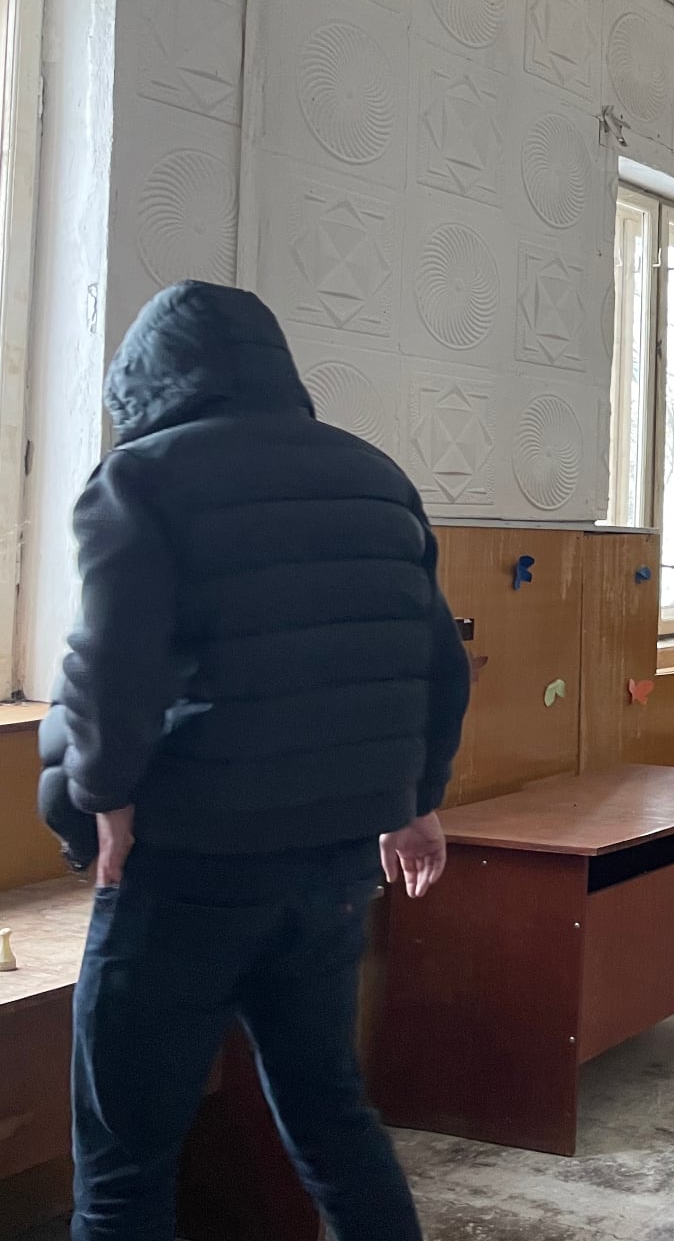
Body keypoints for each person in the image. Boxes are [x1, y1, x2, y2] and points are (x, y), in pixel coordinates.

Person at [36, 282, 470, 1241]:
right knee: (331, 1117)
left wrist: (102, 794)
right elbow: (437, 659)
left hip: (186, 864)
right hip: (332, 863)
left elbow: (110, 661)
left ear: (144, 378)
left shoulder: (141, 476)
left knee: (123, 1170)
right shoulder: (374, 476)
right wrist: (417, 799)